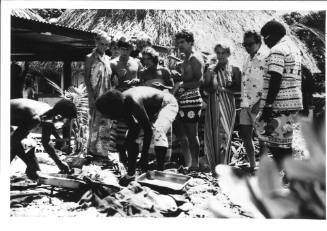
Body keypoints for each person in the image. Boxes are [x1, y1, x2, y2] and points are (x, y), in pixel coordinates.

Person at [95, 87, 178, 186]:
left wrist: (144, 156)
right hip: (151, 110)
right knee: (132, 138)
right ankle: (131, 175)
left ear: (113, 108)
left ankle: (160, 173)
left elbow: (148, 131)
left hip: (167, 103)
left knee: (158, 130)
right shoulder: (122, 104)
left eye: (108, 115)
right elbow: (134, 129)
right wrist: (123, 149)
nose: (109, 118)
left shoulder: (132, 101)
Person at [255, 20, 303, 169]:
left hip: (279, 103)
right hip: (292, 102)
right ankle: (287, 176)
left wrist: (268, 105)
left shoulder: (277, 49)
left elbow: (276, 77)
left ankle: (287, 175)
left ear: (273, 35)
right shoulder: (293, 48)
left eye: (266, 38)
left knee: (274, 140)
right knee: (284, 141)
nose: (265, 43)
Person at [11, 98, 77, 179]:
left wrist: (60, 163)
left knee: (31, 153)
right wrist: (30, 164)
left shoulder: (48, 113)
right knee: (15, 146)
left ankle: (33, 173)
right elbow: (14, 141)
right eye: (67, 120)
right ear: (59, 116)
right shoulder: (35, 118)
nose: (66, 124)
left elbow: (46, 143)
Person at [203, 42, 241, 171]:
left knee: (225, 133)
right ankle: (214, 166)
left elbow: (239, 90)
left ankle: (224, 166)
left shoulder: (235, 69)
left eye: (223, 52)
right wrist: (211, 75)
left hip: (228, 104)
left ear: (229, 53)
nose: (220, 55)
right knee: (213, 132)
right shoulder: (211, 69)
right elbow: (207, 89)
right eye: (218, 53)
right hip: (213, 103)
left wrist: (223, 89)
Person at [172, 29, 204, 171]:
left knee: (192, 134)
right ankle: (188, 163)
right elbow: (188, 77)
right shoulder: (186, 58)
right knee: (182, 135)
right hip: (182, 99)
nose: (180, 45)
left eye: (183, 42)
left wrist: (181, 84)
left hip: (192, 100)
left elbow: (199, 81)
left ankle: (195, 165)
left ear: (191, 42)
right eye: (178, 42)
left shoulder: (195, 58)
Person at [110, 36, 143, 164]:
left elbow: (142, 78)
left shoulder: (137, 62)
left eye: (127, 49)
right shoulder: (113, 63)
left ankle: (133, 154)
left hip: (135, 98)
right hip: (121, 99)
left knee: (135, 127)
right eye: (122, 49)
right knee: (121, 129)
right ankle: (122, 154)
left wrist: (137, 81)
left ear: (131, 49)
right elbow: (108, 83)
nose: (125, 52)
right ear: (119, 49)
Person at [238, 31, 267, 173]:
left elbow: (270, 82)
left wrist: (261, 102)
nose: (247, 47)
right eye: (245, 44)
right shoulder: (246, 59)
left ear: (259, 43)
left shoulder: (265, 59)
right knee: (245, 134)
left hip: (258, 104)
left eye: (250, 44)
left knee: (262, 137)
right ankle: (252, 165)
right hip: (245, 103)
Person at [84, 30, 113, 157]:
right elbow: (86, 77)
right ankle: (92, 150)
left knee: (106, 122)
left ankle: (103, 151)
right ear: (96, 42)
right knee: (94, 122)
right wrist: (90, 95)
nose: (104, 47)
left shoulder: (108, 58)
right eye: (102, 44)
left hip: (106, 95)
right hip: (95, 95)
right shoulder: (90, 57)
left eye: (107, 44)